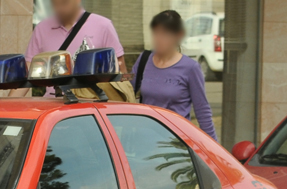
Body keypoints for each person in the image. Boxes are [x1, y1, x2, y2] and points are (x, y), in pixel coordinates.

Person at [133, 10, 217, 140]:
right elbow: (126, 93)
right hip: (145, 141)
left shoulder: (190, 68)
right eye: (157, 33)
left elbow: (202, 111)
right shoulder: (144, 59)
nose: (159, 38)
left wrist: (213, 148)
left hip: (175, 143)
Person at [16, 0, 127, 97]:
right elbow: (27, 72)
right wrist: (8, 105)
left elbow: (121, 75)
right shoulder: (42, 29)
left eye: (64, 2)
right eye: (55, 3)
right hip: (53, 106)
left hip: (92, 105)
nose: (60, 8)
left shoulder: (103, 26)